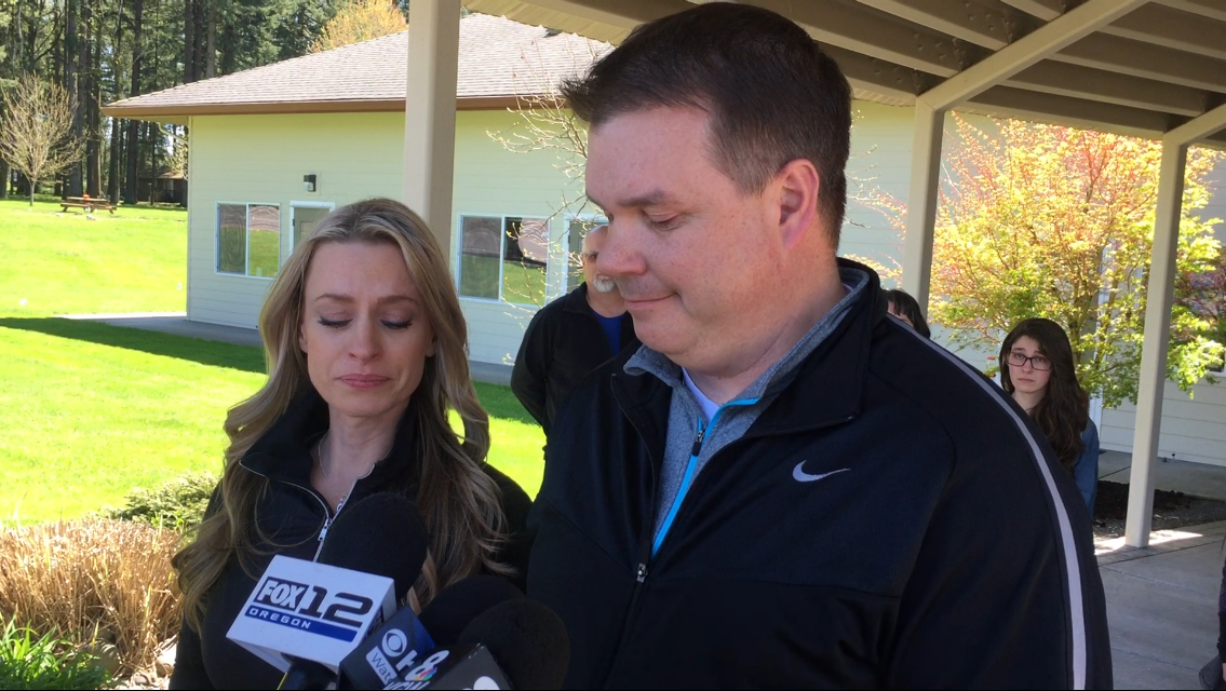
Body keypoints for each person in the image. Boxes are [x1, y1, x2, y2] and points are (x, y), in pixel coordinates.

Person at [524, 4, 1111, 689]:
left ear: (790, 203)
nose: (612, 258)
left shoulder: (976, 472)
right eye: (606, 215)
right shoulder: (603, 405)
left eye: (658, 216)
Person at [168, 198, 532, 689]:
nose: (363, 346)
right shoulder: (246, 488)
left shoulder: (491, 513)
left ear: (431, 333)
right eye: (335, 318)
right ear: (299, 330)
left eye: (397, 319)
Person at [511, 225, 636, 435]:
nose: (602, 266)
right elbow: (524, 384)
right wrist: (562, 428)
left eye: (610, 256)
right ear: (582, 261)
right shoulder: (553, 319)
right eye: (593, 256)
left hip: (638, 458)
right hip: (570, 458)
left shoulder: (647, 318)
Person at [1000, 318, 1100, 513]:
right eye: (1019, 356)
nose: (1026, 368)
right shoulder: (987, 417)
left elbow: (1081, 506)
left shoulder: (1079, 429)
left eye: (1039, 359)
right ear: (1006, 358)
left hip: (1048, 539)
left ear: (1056, 365)